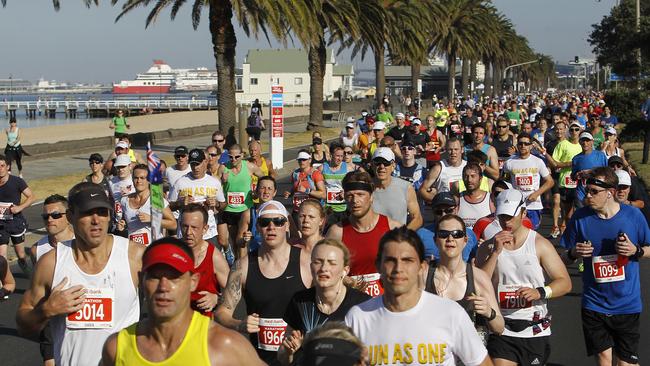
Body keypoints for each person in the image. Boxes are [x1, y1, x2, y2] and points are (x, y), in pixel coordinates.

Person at [17, 182, 143, 366]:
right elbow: (23, 325)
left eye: (102, 212)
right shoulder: (52, 263)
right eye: (87, 212)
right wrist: (47, 310)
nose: (96, 220)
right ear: (70, 216)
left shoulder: (135, 256)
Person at [101, 237, 263, 366]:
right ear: (142, 280)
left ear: (193, 281)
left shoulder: (223, 346)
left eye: (174, 277)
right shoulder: (117, 347)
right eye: (155, 277)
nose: (163, 286)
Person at [345, 227, 492, 366]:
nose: (398, 269)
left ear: (422, 267)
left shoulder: (451, 314)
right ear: (378, 266)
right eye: (390, 260)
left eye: (407, 260)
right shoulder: (357, 318)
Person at [561, 167, 650, 366]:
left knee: (625, 363)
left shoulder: (633, 216)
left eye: (594, 191)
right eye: (587, 190)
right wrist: (574, 253)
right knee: (603, 359)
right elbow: (563, 259)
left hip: (626, 303)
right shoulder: (580, 218)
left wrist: (636, 251)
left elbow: (649, 248)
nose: (588, 195)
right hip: (594, 303)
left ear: (609, 193)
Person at [475, 189, 571, 366]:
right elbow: (479, 284)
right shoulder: (488, 247)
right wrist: (495, 253)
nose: (506, 221)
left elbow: (564, 282)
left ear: (523, 213)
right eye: (502, 216)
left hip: (534, 330)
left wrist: (540, 292)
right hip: (501, 329)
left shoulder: (539, 244)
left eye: (511, 216)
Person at [215, 200, 312, 365]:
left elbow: (328, 305)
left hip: (301, 358)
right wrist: (239, 325)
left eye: (279, 221)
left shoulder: (307, 262)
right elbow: (222, 313)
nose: (271, 227)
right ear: (258, 228)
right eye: (265, 222)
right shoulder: (243, 266)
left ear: (287, 225)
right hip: (260, 360)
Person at [279, 239, 371, 365]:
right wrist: (289, 352)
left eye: (332, 263)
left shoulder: (362, 304)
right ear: (311, 267)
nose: (324, 268)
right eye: (318, 262)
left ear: (345, 270)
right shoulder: (300, 300)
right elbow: (283, 358)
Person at [426, 214, 505, 344]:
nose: (450, 238)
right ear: (435, 240)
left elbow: (499, 327)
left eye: (457, 234)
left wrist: (488, 312)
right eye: (443, 234)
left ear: (465, 240)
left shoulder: (478, 278)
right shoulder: (422, 276)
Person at [327, 171, 401, 297]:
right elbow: (326, 270)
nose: (355, 200)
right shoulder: (337, 232)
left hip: (387, 304)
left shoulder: (393, 228)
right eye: (350, 195)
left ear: (371, 197)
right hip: (350, 303)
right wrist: (345, 280)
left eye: (360, 194)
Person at [28, 196, 73, 366]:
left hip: (80, 314)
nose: (49, 220)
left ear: (68, 215)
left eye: (55, 215)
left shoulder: (82, 241)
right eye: (45, 216)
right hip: (50, 318)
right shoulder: (36, 250)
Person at [169, 149, 228, 259]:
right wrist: (180, 203)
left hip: (209, 233)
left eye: (198, 164)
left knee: (210, 265)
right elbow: (169, 206)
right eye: (192, 164)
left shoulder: (214, 182)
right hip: (186, 234)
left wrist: (216, 204)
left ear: (205, 162)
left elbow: (223, 204)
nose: (195, 168)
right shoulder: (180, 182)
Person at [181, 205, 229, 318]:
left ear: (205, 229)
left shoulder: (214, 256)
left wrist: (217, 298)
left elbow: (234, 293)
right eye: (185, 226)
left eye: (194, 227)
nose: (188, 232)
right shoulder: (172, 251)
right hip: (176, 325)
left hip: (203, 326)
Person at [217, 144, 265, 258]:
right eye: (230, 157)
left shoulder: (249, 167)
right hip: (228, 209)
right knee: (233, 241)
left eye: (237, 157)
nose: (233, 160)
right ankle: (236, 262)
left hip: (245, 209)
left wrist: (256, 191)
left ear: (242, 155)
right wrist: (223, 182)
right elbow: (216, 187)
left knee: (242, 240)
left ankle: (243, 265)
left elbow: (263, 178)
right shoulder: (223, 168)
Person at [502, 133, 554, 230]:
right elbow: (503, 181)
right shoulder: (509, 162)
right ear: (517, 145)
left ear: (531, 146)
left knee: (532, 235)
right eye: (520, 143)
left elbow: (550, 182)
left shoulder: (538, 161)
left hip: (533, 206)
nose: (523, 146)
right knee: (516, 233)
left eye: (526, 144)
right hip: (516, 205)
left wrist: (536, 194)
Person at [119, 164, 176, 245]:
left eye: (142, 178)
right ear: (132, 179)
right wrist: (122, 225)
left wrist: (152, 219)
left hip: (153, 248)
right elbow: (125, 221)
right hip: (133, 250)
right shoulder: (124, 200)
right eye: (136, 178)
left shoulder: (156, 199)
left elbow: (173, 224)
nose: (139, 181)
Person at [416, 191, 480, 262]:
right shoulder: (421, 234)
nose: (444, 215)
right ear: (433, 212)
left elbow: (477, 261)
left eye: (449, 210)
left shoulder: (469, 234)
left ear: (456, 209)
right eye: (438, 212)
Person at [544, 120, 581, 237]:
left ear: (565, 130)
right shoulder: (551, 144)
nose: (559, 131)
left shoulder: (577, 144)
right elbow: (552, 162)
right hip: (557, 176)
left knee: (570, 206)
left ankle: (564, 225)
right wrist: (549, 166)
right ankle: (555, 226)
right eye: (557, 129)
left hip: (571, 178)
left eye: (561, 129)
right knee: (556, 201)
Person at [370, 147, 423, 230]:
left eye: (386, 163)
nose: (381, 166)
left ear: (393, 165)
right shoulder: (364, 188)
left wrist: (402, 236)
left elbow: (417, 218)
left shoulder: (406, 187)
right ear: (372, 165)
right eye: (377, 162)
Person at [0, 154, 34, 274]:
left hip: (15, 222)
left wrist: (20, 207)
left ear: (8, 167)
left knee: (21, 255)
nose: (0, 168)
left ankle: (28, 273)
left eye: (2, 165)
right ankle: (5, 284)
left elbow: (31, 196)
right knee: (2, 257)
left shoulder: (17, 181)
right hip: (1, 225)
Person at [419, 137, 467, 202]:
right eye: (450, 149)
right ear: (446, 150)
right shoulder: (438, 168)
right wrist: (438, 200)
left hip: (464, 208)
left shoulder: (468, 167)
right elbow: (422, 191)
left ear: (462, 150)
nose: (453, 152)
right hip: (445, 209)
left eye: (456, 149)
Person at [283, 150, 326, 216]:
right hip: (297, 210)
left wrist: (307, 190)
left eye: (304, 160)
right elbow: (295, 189)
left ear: (309, 160)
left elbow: (323, 194)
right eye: (299, 160)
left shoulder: (315, 174)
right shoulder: (295, 174)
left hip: (312, 211)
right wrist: (289, 194)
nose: (301, 162)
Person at [572, 131, 609, 206]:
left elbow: (607, 172)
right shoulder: (576, 158)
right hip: (581, 194)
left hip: (597, 192)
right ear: (579, 142)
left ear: (592, 142)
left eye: (587, 140)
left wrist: (591, 171)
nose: (585, 143)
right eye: (583, 140)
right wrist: (577, 175)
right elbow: (573, 177)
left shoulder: (601, 155)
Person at [320, 144, 354, 225]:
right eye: (337, 156)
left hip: (343, 207)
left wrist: (346, 192)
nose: (340, 159)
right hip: (328, 208)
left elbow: (353, 186)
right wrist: (322, 191)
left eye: (342, 156)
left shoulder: (348, 168)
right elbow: (313, 181)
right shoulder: (323, 168)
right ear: (331, 155)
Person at [457, 162, 495, 229]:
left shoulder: (491, 199)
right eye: (466, 176)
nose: (469, 180)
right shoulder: (457, 199)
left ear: (480, 178)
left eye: (473, 176)